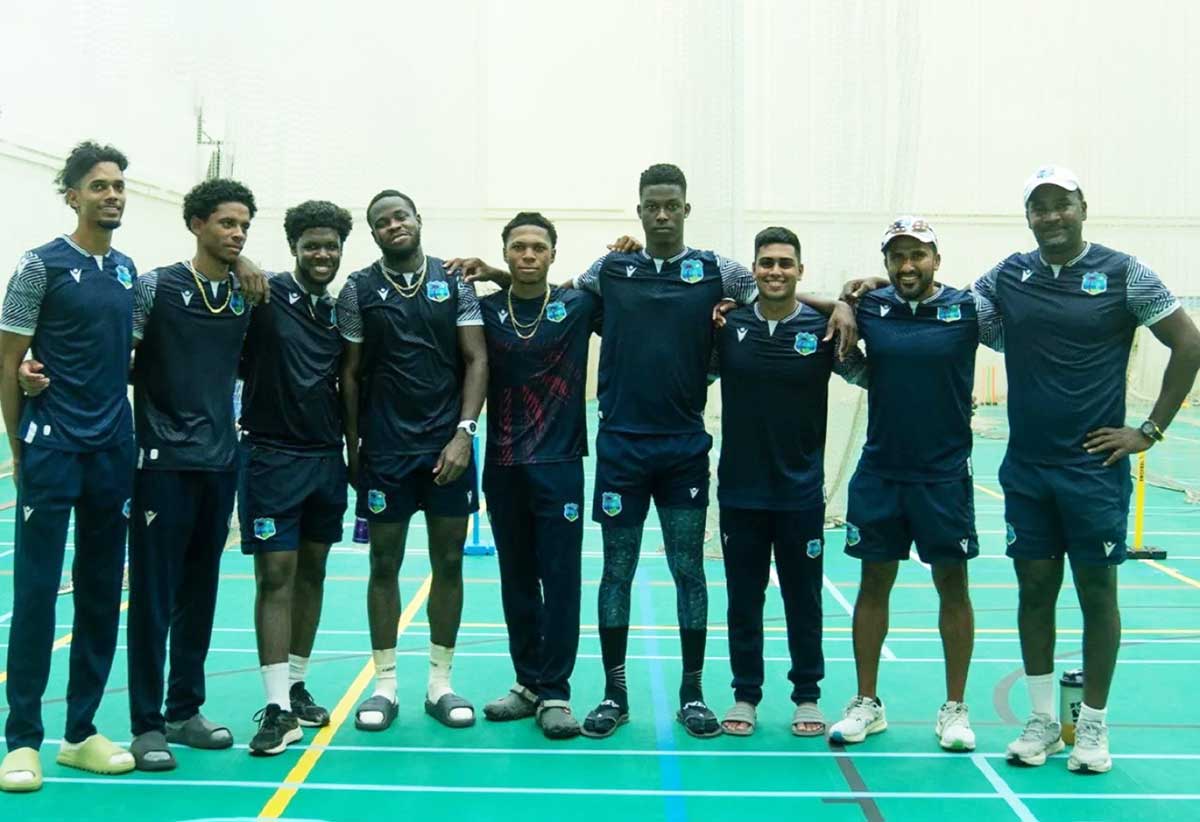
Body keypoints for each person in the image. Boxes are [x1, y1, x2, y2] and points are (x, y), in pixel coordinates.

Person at [458, 163, 853, 739]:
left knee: (688, 570)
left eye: (672, 205)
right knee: (616, 572)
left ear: (686, 209)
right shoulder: (611, 269)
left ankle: (692, 695)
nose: (662, 214)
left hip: (684, 448)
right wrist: (497, 271)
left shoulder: (716, 270)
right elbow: (554, 292)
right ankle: (614, 695)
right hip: (621, 446)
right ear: (639, 210)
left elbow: (777, 291)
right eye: (652, 206)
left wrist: (835, 306)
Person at [828, 217, 1001, 751]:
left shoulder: (969, 309)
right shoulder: (871, 309)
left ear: (936, 259)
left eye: (917, 255)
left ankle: (954, 710)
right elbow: (816, 314)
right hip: (881, 471)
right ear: (885, 264)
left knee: (953, 588)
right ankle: (866, 704)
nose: (907, 266)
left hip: (945, 476)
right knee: (873, 586)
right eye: (896, 257)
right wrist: (839, 301)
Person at [0, 141, 137, 792]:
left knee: (103, 594)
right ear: (73, 195)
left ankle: (80, 733)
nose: (112, 194)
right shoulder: (39, 265)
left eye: (118, 186)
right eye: (100, 185)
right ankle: (22, 739)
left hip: (113, 451)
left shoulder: (129, 272)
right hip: (52, 447)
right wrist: (20, 446)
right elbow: (8, 361)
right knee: (34, 596)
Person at [338, 190, 487, 731]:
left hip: (446, 448)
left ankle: (440, 684)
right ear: (372, 233)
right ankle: (385, 686)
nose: (392, 225)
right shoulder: (357, 289)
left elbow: (476, 358)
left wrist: (464, 435)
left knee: (448, 563)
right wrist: (354, 445)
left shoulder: (456, 282)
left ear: (419, 220)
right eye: (381, 222)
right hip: (385, 452)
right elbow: (349, 374)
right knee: (384, 565)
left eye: (400, 216)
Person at [123, 178, 258, 770]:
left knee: (200, 593)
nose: (237, 234)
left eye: (244, 227)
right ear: (196, 224)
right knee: (153, 596)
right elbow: (118, 360)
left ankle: (185, 709)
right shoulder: (154, 287)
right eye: (227, 223)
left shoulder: (245, 294)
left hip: (220, 463)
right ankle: (146, 724)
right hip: (160, 464)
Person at [712, 227, 865, 739]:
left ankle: (807, 695)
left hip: (799, 490)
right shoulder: (727, 325)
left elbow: (867, 372)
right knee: (743, 597)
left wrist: (844, 304)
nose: (774, 271)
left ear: (800, 270)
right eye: (765, 263)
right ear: (754, 270)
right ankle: (745, 693)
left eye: (784, 263)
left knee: (803, 597)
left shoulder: (822, 327)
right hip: (739, 488)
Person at [471, 212, 600, 739]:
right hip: (502, 465)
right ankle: (527, 683)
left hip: (560, 464)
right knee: (517, 580)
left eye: (537, 248)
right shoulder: (481, 311)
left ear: (552, 255)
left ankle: (556, 692)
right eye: (518, 248)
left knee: (561, 580)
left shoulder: (578, 305)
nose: (527, 256)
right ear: (505, 254)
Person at [238, 200, 353, 755]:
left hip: (326, 458)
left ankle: (298, 684)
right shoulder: (264, 294)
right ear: (294, 248)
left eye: (331, 244)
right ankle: (276, 707)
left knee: (313, 572)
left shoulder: (339, 311)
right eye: (312, 244)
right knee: (275, 576)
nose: (322, 253)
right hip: (270, 456)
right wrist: (240, 264)